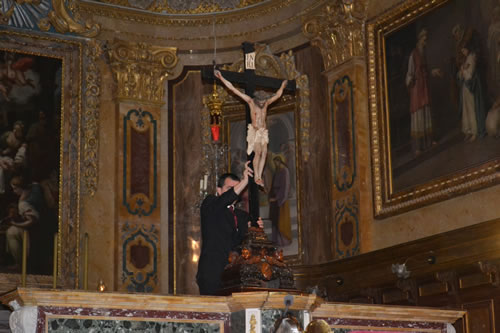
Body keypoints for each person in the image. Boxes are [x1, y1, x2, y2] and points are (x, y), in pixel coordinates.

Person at [196, 161, 263, 295]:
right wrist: (244, 181)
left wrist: (255, 231)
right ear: (219, 190)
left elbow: (242, 246)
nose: (234, 192)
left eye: (236, 188)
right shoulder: (210, 204)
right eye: (229, 188)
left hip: (235, 276)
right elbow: (224, 200)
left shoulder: (243, 216)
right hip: (212, 273)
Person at [214, 69, 288, 186]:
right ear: (257, 100)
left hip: (263, 131)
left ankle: (259, 176)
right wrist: (221, 78)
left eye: (265, 101)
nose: (263, 103)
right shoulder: (251, 102)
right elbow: (233, 89)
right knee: (258, 152)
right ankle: (257, 176)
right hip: (255, 131)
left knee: (264, 153)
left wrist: (283, 86)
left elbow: (278, 95)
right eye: (262, 101)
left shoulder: (266, 104)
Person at [405, 29, 442, 156]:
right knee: (418, 116)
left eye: (426, 39)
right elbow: (409, 73)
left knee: (426, 113)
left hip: (424, 87)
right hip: (416, 89)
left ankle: (429, 142)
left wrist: (433, 72)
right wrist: (410, 80)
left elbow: (425, 70)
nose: (426, 42)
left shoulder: (423, 53)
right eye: (424, 39)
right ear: (420, 39)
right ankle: (418, 147)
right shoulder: (413, 54)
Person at [457, 42, 487, 141]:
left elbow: (470, 75)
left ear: (468, 48)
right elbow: (461, 74)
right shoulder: (465, 59)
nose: (463, 51)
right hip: (465, 87)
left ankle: (474, 131)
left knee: (471, 108)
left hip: (471, 87)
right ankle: (468, 131)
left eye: (464, 49)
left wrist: (463, 71)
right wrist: (461, 72)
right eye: (462, 50)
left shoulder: (472, 57)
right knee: (466, 110)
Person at [268, 155, 292, 246]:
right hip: (275, 198)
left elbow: (285, 187)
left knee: (281, 220)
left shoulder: (285, 171)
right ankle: (276, 240)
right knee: (275, 220)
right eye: (274, 163)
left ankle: (283, 241)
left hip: (281, 200)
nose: (275, 164)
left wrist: (277, 198)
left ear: (280, 161)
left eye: (276, 162)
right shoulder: (277, 171)